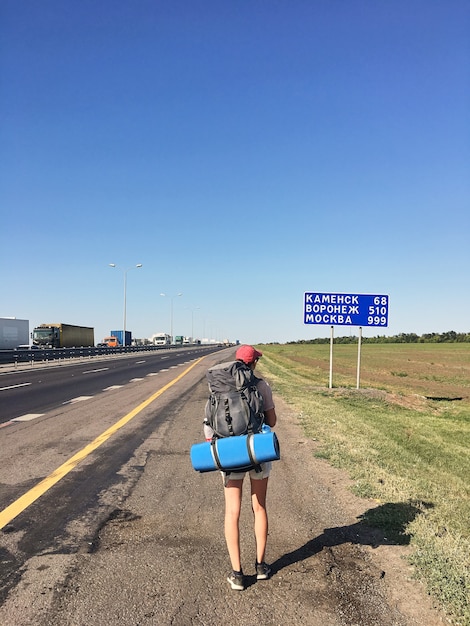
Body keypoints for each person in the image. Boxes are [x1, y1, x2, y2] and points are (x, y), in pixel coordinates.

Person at [222, 344, 277, 591]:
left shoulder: (221, 386)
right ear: (254, 363)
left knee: (232, 511)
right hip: (257, 452)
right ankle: (261, 566)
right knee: (259, 507)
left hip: (232, 453)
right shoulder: (261, 385)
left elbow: (209, 427)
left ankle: (237, 574)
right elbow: (272, 421)